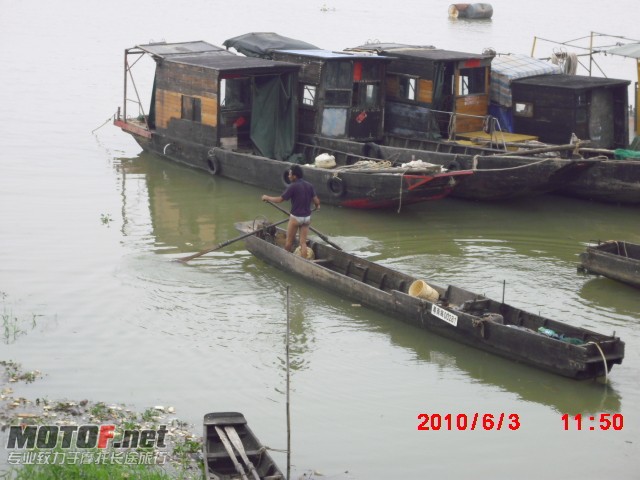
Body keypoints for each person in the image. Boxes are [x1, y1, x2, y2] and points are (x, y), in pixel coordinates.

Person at [261, 165, 320, 258]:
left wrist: (267, 197)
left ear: (295, 176)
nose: (288, 176)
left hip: (296, 218)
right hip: (307, 218)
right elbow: (316, 201)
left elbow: (280, 200)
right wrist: (317, 206)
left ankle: (284, 259)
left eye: (290, 174)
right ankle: (304, 262)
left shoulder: (293, 186)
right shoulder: (309, 185)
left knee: (289, 241)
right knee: (303, 243)